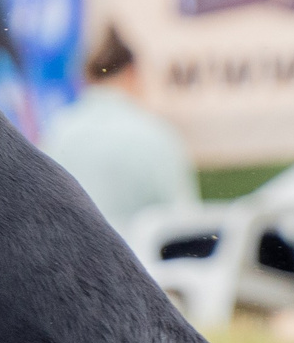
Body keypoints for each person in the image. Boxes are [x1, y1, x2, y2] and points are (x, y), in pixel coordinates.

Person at [40, 25, 195, 229]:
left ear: (87, 76)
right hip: (136, 258)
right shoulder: (155, 133)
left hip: (65, 257)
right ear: (132, 72)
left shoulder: (56, 130)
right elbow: (184, 221)